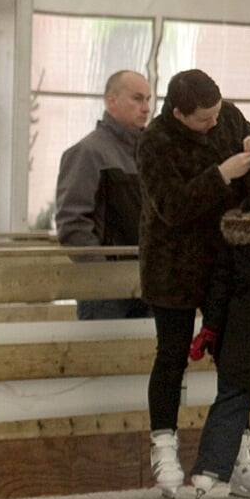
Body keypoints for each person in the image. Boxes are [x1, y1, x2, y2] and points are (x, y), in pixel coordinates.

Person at [136, 68, 250, 499]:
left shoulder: (227, 116)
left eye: (215, 114)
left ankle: (236, 453)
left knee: (236, 357)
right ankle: (164, 446)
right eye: (203, 119)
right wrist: (221, 173)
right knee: (171, 355)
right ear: (178, 113)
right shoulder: (154, 142)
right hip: (172, 265)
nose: (213, 123)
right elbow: (173, 206)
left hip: (224, 262)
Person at [55, 70, 154, 320]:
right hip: (105, 292)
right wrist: (103, 272)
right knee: (102, 356)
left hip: (149, 284)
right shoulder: (88, 154)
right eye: (137, 98)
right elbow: (72, 223)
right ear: (112, 101)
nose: (146, 108)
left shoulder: (152, 156)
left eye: (148, 100)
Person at [187, 172, 250, 499]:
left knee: (232, 397)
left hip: (243, 325)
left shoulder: (233, 234)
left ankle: (207, 471)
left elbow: (219, 287)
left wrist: (210, 328)